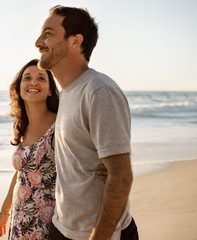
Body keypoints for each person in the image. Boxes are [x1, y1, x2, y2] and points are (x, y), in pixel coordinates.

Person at [35, 5, 138, 240]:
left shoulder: (99, 91)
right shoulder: (68, 92)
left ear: (75, 41)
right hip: (62, 227)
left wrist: (98, 236)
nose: (38, 42)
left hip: (96, 233)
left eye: (48, 34)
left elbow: (121, 177)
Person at [0, 59, 107, 239]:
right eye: (27, 78)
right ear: (19, 87)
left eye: (41, 78)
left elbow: (88, 158)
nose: (33, 82)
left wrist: (108, 167)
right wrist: (4, 212)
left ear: (50, 89)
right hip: (20, 217)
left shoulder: (60, 126)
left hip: (47, 220)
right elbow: (22, 173)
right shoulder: (23, 126)